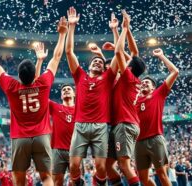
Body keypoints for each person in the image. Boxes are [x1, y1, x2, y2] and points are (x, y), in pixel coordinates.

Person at [0, 15, 68, 186]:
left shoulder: (12, 87)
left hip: (20, 138)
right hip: (42, 136)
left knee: (19, 179)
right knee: (47, 177)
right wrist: (62, 34)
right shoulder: (43, 83)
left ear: (18, 75)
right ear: (35, 75)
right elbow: (56, 57)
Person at [65, 6, 118, 186]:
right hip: (80, 125)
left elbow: (118, 55)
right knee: (73, 166)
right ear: (89, 66)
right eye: (94, 61)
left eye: (100, 62)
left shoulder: (107, 78)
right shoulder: (80, 76)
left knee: (101, 168)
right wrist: (72, 27)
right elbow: (69, 52)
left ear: (104, 68)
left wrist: (115, 31)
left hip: (100, 126)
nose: (97, 62)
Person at [108, 10, 145, 186]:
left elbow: (118, 52)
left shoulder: (128, 77)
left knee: (124, 164)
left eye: (127, 62)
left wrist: (123, 29)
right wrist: (116, 31)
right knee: (108, 165)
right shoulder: (130, 79)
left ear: (129, 68)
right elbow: (127, 53)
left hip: (125, 123)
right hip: (123, 124)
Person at [135, 47, 179, 186]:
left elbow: (175, 72)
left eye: (147, 82)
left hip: (155, 138)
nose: (144, 83)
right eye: (142, 82)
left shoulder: (158, 94)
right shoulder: (134, 100)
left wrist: (161, 56)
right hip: (138, 142)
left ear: (154, 87)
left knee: (162, 174)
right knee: (143, 179)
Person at [49, 84, 75, 186]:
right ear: (61, 96)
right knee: (56, 182)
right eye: (63, 90)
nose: (66, 90)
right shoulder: (55, 107)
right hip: (57, 150)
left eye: (69, 89)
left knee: (76, 182)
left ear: (74, 94)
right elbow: (41, 96)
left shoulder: (80, 109)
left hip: (76, 151)